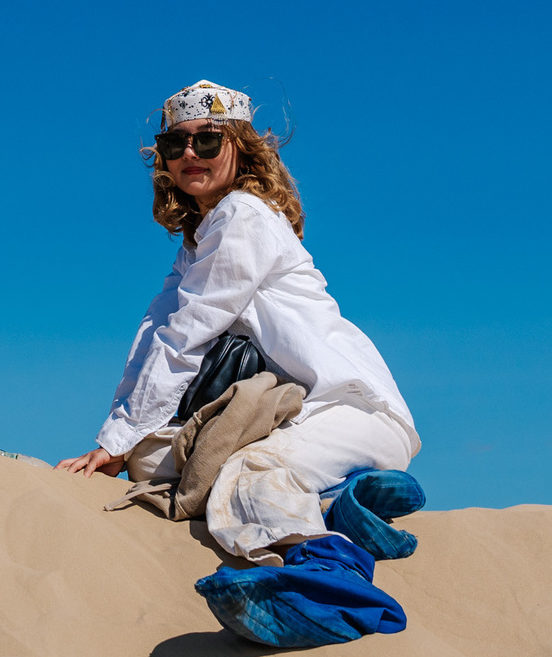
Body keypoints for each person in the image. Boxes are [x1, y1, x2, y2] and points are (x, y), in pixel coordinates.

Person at [58, 80, 418, 562]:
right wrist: (118, 443)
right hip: (297, 415)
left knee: (247, 476)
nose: (190, 152)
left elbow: (188, 335)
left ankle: (326, 577)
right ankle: (341, 505)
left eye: (207, 139)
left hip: (348, 410)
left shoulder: (243, 215)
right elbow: (155, 338)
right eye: (174, 143)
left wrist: (114, 442)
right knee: (151, 462)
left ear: (241, 149)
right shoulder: (198, 242)